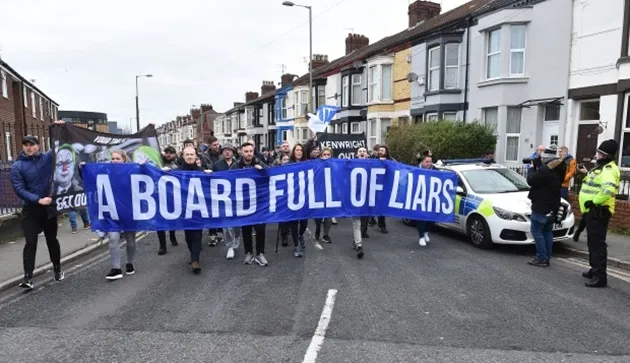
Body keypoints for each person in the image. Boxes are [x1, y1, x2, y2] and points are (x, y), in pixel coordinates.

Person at [10, 128, 66, 289]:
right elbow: (19, 189)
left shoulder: (47, 158)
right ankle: (27, 278)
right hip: (31, 209)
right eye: (25, 145)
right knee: (30, 242)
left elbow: (59, 146)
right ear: (22, 147)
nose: (28, 147)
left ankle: (57, 269)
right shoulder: (17, 166)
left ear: (38, 146)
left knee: (51, 240)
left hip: (48, 208)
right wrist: (38, 199)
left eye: (31, 144)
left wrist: (59, 127)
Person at [82, 150, 139, 280]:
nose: (114, 161)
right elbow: (91, 176)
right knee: (113, 238)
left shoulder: (132, 171)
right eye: (112, 158)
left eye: (117, 158)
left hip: (129, 211)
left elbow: (147, 176)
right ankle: (116, 268)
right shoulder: (105, 171)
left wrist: (144, 167)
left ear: (124, 159)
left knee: (130, 240)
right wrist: (83, 168)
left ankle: (129, 263)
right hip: (111, 211)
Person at [578, 139, 620, 288]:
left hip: (598, 211)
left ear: (606, 155)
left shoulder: (609, 169)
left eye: (600, 153)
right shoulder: (601, 168)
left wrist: (594, 201)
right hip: (592, 211)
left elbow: (607, 189)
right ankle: (594, 269)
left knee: (597, 244)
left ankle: (600, 276)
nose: (597, 155)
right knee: (592, 242)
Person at [170, 146, 213, 273]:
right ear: (183, 156)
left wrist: (210, 175)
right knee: (188, 235)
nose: (189, 157)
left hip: (198, 208)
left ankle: (195, 260)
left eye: (192, 154)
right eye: (187, 154)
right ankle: (193, 254)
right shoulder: (177, 172)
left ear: (196, 156)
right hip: (183, 208)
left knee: (197, 234)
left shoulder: (202, 172)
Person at [526, 146, 567, 267]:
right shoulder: (559, 169)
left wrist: (532, 168)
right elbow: (543, 181)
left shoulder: (545, 170)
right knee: (547, 231)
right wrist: (539, 167)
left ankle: (541, 258)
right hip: (553, 205)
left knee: (536, 231)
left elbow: (531, 180)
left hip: (541, 205)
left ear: (547, 158)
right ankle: (547, 256)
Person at [230, 143, 268, 266]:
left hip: (259, 202)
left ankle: (260, 253)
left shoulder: (259, 163)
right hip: (244, 202)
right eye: (246, 151)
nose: (249, 153)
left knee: (260, 228)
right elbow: (227, 179)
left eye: (251, 151)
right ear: (241, 152)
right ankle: (249, 252)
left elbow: (270, 176)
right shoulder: (235, 166)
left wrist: (262, 171)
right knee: (246, 228)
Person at [213, 144, 241, 260]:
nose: (227, 152)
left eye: (229, 150)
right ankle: (230, 246)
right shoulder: (217, 165)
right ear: (222, 153)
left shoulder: (238, 164)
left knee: (237, 224)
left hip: (237, 198)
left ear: (233, 152)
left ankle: (236, 240)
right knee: (226, 224)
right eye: (225, 151)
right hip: (223, 199)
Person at [157, 146, 180, 255]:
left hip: (172, 196)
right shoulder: (158, 164)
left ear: (174, 154)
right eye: (167, 152)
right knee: (159, 221)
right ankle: (162, 245)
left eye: (171, 153)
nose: (168, 155)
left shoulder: (177, 166)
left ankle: (172, 234)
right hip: (159, 196)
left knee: (172, 219)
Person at [288, 143, 309, 257]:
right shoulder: (288, 165)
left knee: (304, 222)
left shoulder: (307, 164)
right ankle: (296, 246)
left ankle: (301, 235)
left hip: (304, 197)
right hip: (292, 198)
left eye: (301, 150)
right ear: (294, 151)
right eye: (297, 150)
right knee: (294, 223)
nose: (299, 152)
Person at [351, 147, 370, 259]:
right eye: (360, 151)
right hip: (355, 198)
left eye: (364, 151)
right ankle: (359, 245)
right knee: (356, 222)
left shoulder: (372, 165)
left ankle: (356, 241)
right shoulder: (351, 164)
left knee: (364, 222)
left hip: (367, 199)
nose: (362, 153)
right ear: (356, 155)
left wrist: (383, 162)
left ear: (367, 154)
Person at [417, 150, 438, 247]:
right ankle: (421, 236)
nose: (429, 164)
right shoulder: (416, 170)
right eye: (427, 162)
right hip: (419, 198)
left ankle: (426, 232)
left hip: (432, 198)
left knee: (431, 218)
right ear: (422, 162)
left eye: (430, 162)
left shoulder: (435, 170)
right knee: (421, 218)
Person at [314, 148, 333, 244]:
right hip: (319, 193)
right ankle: (318, 227)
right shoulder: (317, 165)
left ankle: (326, 234)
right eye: (324, 154)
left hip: (330, 194)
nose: (326, 156)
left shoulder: (335, 165)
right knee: (318, 216)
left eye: (328, 154)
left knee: (328, 216)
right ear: (321, 156)